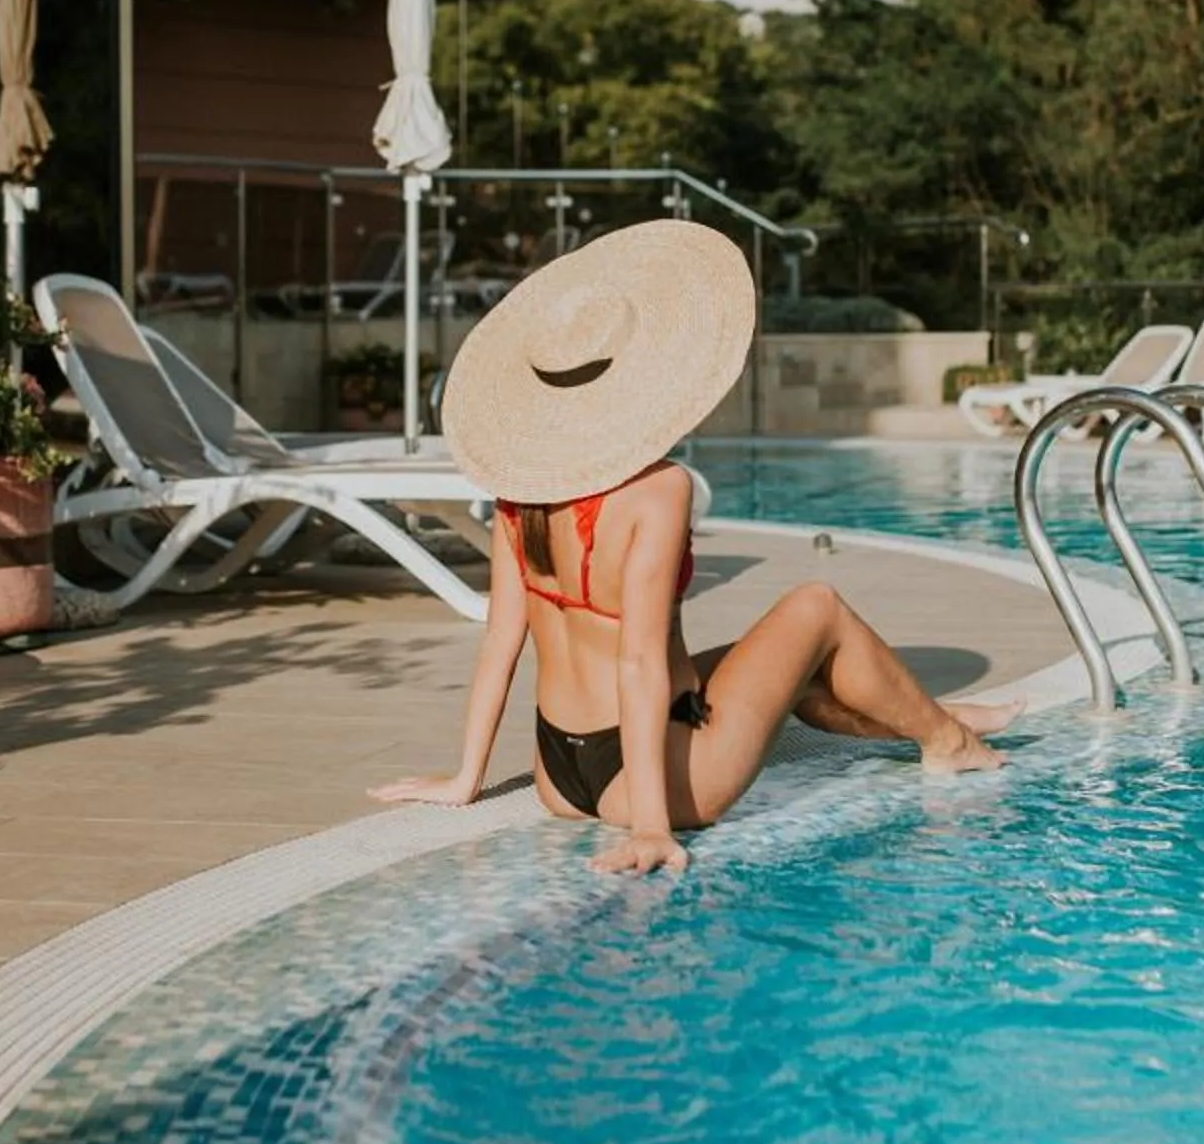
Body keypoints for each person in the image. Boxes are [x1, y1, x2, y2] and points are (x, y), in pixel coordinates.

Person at [372, 220, 1018, 875]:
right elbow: (639, 661)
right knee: (817, 609)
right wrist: (651, 827)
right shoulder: (657, 490)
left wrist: (466, 778)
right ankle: (946, 739)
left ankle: (929, 716)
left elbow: (501, 642)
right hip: (643, 780)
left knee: (774, 658)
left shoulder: (522, 493)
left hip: (558, 774)